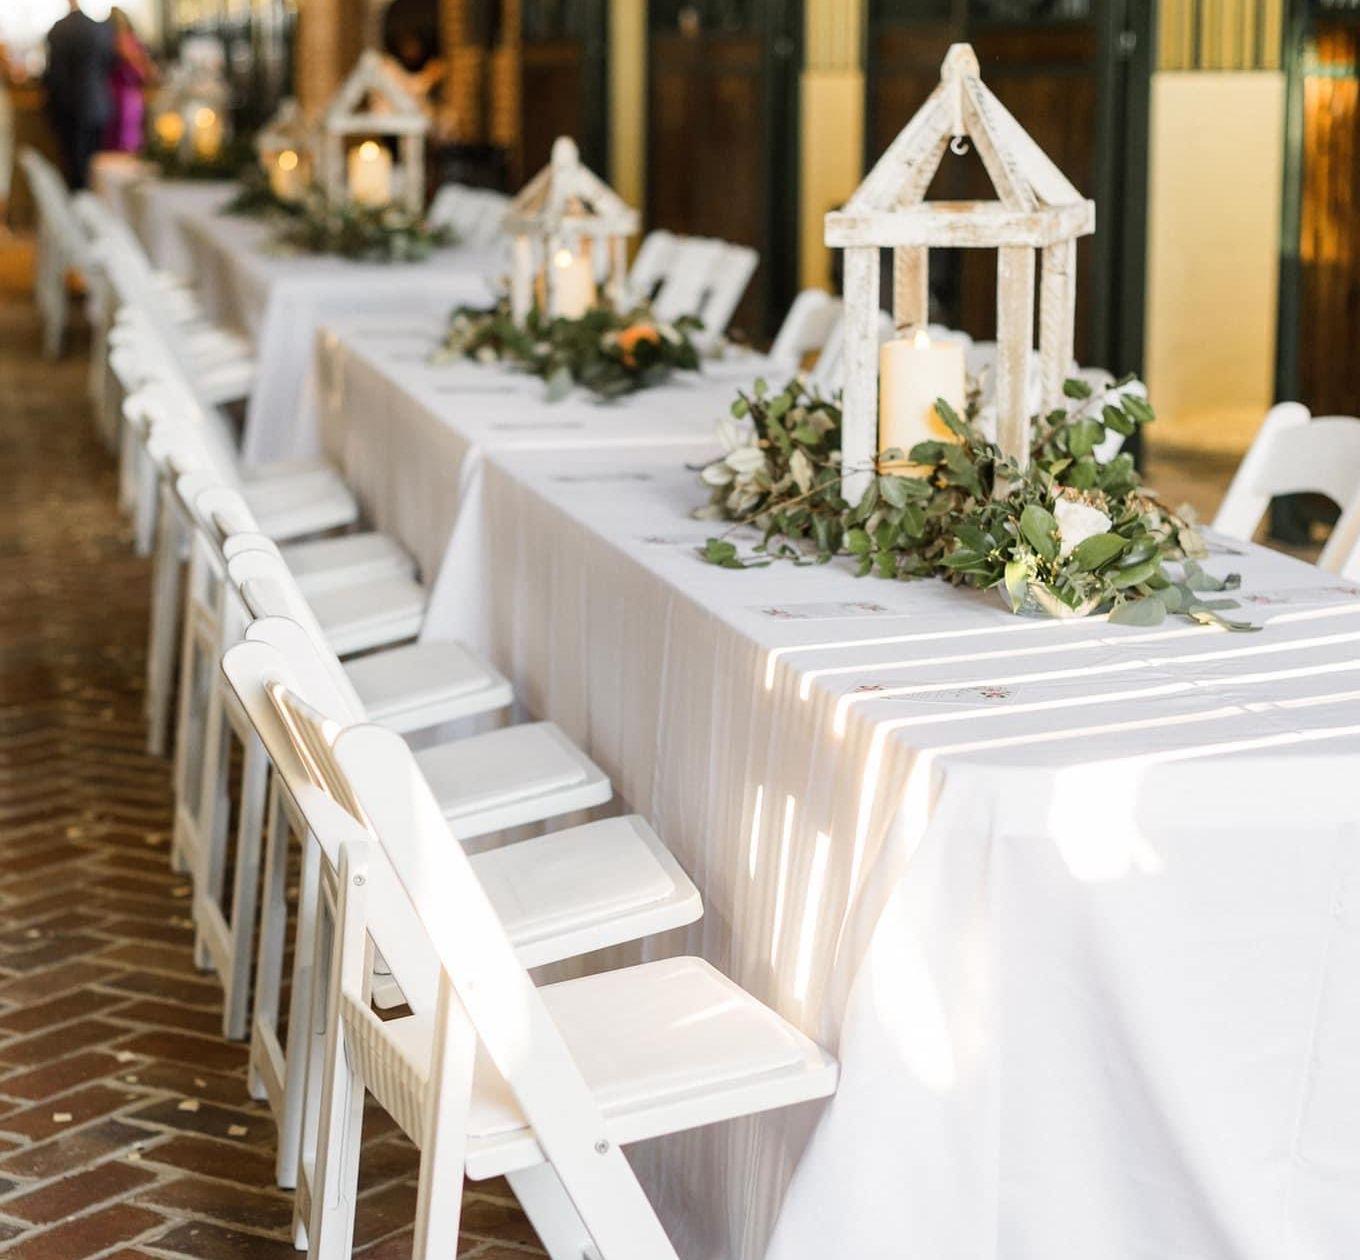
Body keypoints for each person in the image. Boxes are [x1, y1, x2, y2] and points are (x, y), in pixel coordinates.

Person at [44, 0, 114, 189]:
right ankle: (92, 202)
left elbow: (54, 74)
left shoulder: (59, 30)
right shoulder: (100, 29)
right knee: (95, 164)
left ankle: (80, 202)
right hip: (99, 103)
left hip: (70, 106)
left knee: (75, 166)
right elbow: (109, 64)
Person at [103, 8, 154, 154]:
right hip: (128, 96)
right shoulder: (132, 41)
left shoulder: (115, 42)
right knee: (127, 138)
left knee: (122, 138)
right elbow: (147, 73)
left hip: (119, 96)